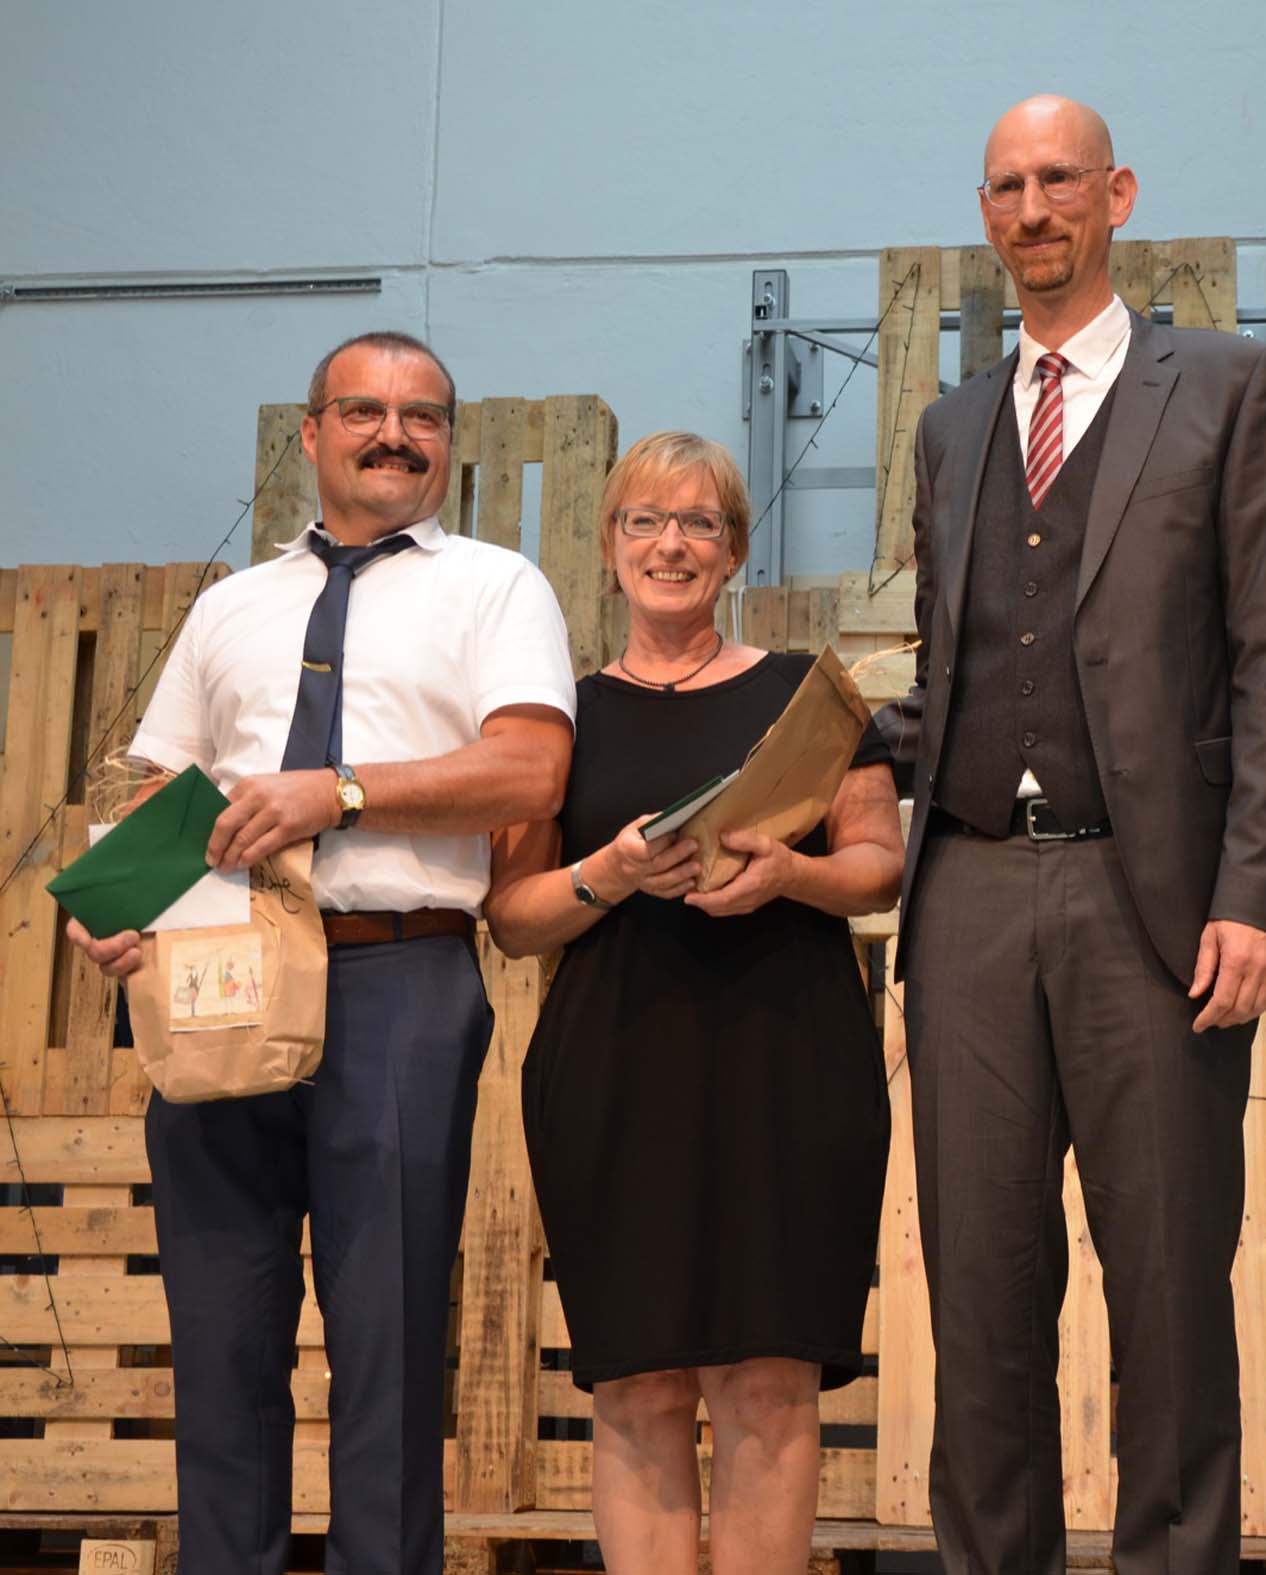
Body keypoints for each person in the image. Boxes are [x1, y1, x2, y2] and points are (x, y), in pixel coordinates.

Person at [886, 98, 1266, 1574]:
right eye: (1005, 186)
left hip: (1156, 907)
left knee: (1169, 1292)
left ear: (1117, 194)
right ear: (985, 211)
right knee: (978, 1304)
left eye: (1058, 180)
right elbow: (949, 675)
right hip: (966, 898)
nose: (1031, 210)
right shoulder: (952, 427)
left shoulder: (1225, 387)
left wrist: (1256, 893)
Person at [65, 330, 577, 1575]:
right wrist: (112, 905)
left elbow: (529, 769)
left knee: (386, 1340)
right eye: (363, 411)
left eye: (422, 416)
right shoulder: (231, 607)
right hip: (218, 975)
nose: (393, 434)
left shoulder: (497, 588)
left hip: (399, 977)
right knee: (220, 1338)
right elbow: (161, 788)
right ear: (310, 434)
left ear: (447, 442)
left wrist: (338, 792)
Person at [483, 431, 902, 1575]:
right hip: (615, 1073)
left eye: (698, 523)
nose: (671, 544)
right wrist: (608, 873)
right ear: (609, 547)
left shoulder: (807, 699)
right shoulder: (557, 720)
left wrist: (790, 875)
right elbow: (513, 917)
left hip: (788, 1065)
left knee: (768, 1384)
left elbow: (878, 868)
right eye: (645, 521)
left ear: (733, 550)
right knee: (639, 1385)